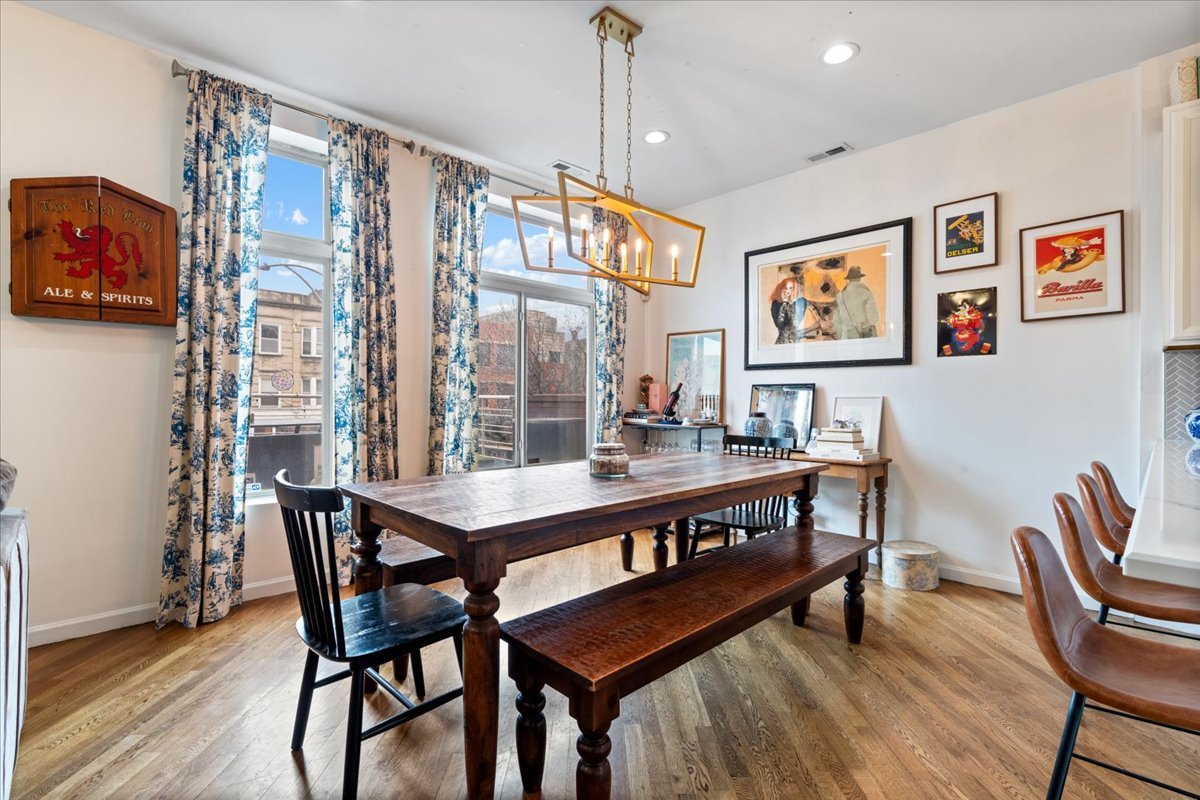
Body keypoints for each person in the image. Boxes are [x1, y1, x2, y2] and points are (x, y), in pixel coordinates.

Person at [832, 266, 880, 339]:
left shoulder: (840, 296)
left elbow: (836, 320)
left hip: (848, 336)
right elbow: (874, 318)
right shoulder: (866, 293)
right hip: (865, 335)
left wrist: (840, 337)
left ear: (849, 279)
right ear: (859, 278)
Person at [768, 278, 799, 344]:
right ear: (782, 288)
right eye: (786, 288)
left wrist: (790, 304)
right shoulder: (776, 304)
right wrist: (784, 303)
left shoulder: (794, 304)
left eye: (791, 288)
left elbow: (795, 324)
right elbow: (779, 324)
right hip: (783, 341)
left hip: (795, 341)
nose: (788, 291)